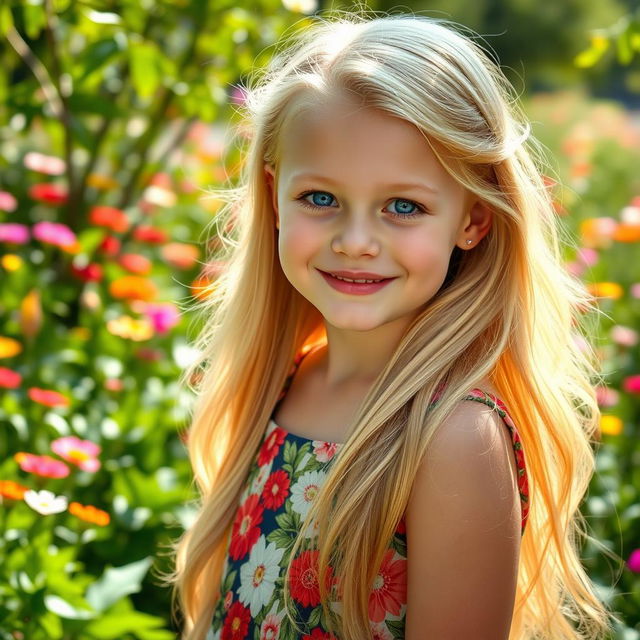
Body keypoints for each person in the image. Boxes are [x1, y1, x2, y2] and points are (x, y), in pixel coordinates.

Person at [158, 11, 622, 640]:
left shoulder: (453, 438)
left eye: (403, 206)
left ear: (473, 221)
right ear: (273, 197)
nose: (355, 242)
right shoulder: (287, 379)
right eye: (319, 199)